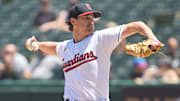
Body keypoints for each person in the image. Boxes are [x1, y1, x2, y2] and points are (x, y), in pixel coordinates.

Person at [26, 3, 161, 101]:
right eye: (86, 18)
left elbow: (137, 25)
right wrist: (36, 45)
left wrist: (152, 38)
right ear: (73, 21)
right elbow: (53, 47)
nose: (91, 21)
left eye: (92, 18)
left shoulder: (101, 38)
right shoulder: (65, 47)